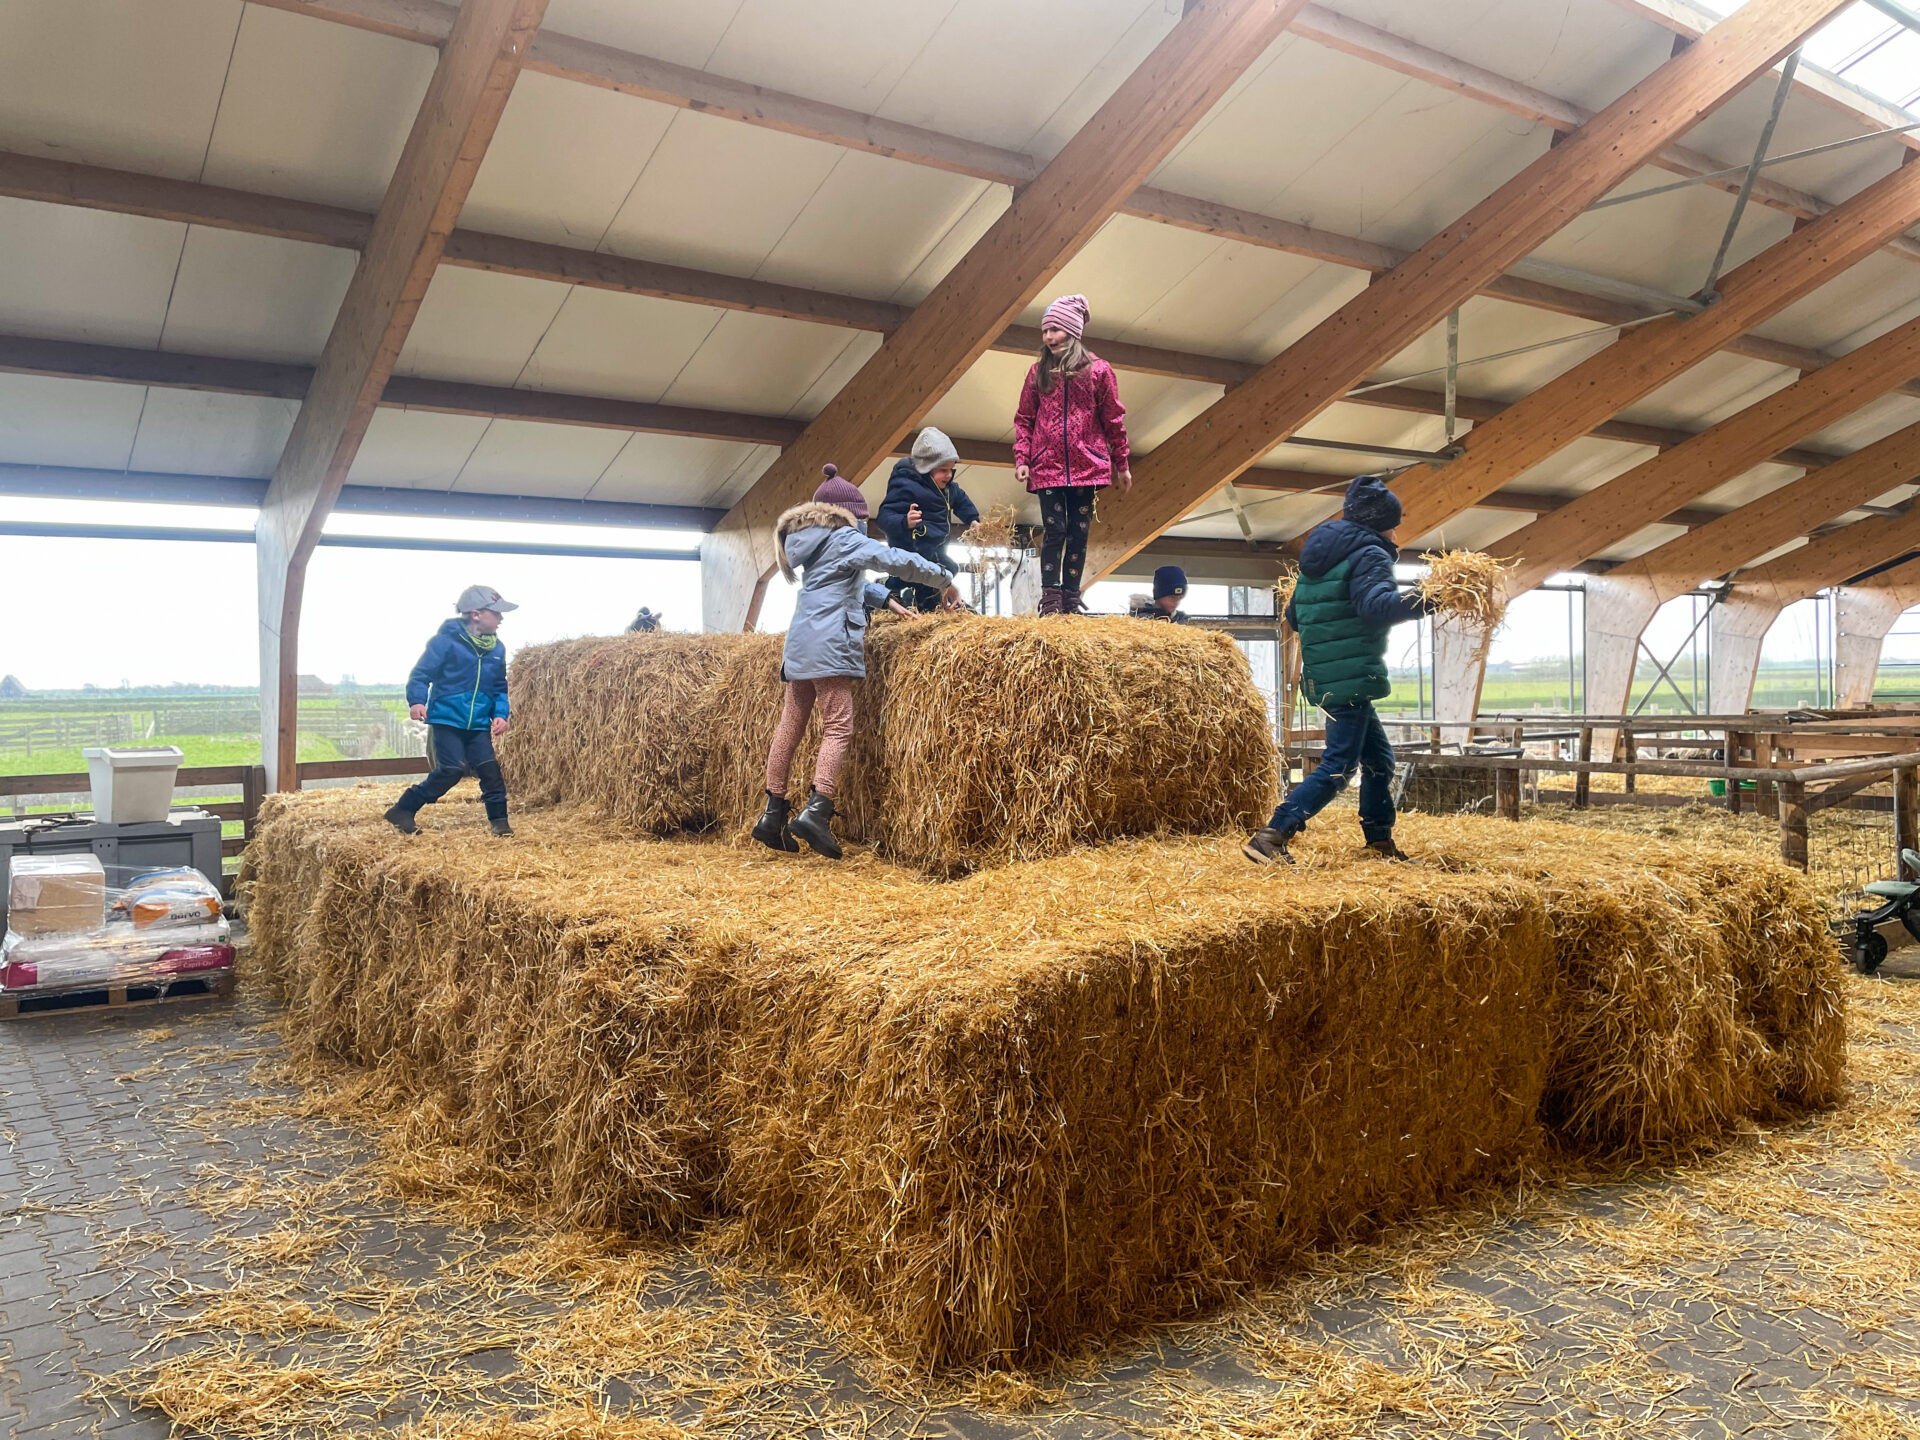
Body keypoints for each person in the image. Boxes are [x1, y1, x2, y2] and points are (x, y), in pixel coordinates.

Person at [754, 466, 958, 859]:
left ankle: (772, 813)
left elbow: (841, 583)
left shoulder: (810, 542)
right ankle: (817, 810)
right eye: (862, 518)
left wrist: (887, 601)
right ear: (848, 515)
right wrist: (944, 576)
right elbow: (894, 559)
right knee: (839, 727)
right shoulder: (845, 537)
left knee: (790, 727)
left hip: (800, 644)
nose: (864, 524)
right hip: (830, 644)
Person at [1244, 476, 1433, 865]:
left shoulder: (1319, 558)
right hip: (1350, 674)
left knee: (1379, 760)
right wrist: (1431, 598)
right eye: (1393, 525)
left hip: (1328, 675)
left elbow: (1295, 615)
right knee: (1341, 763)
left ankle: (1379, 841)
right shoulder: (1369, 554)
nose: (1396, 535)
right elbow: (1376, 608)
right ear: (1380, 523)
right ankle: (1272, 834)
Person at [1012, 294, 1130, 617]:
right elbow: (1024, 419)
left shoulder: (1098, 373)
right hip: (1047, 466)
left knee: (1079, 532)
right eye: (1045, 331)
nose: (1048, 337)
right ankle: (1050, 597)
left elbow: (1113, 419)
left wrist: (1122, 463)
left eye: (1055, 329)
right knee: (1056, 529)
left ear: (1073, 331)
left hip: (1086, 466)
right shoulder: (1038, 374)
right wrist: (1022, 458)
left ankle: (1070, 597)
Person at [387, 585, 516, 838]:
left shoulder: (496, 649)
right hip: (448, 719)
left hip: (478, 722)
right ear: (476, 614)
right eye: (496, 613)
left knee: (491, 771)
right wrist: (417, 701)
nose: (501, 619)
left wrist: (501, 714)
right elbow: (422, 674)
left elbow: (500, 686)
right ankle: (403, 809)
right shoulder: (445, 643)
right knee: (451, 770)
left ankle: (500, 823)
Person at [877, 427, 979, 612]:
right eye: (943, 470)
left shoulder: (948, 489)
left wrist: (973, 519)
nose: (948, 475)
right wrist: (904, 521)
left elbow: (961, 500)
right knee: (912, 578)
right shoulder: (906, 486)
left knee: (947, 570)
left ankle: (932, 607)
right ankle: (888, 586)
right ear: (926, 469)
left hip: (936, 549)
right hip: (912, 550)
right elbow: (885, 517)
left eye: (951, 470)